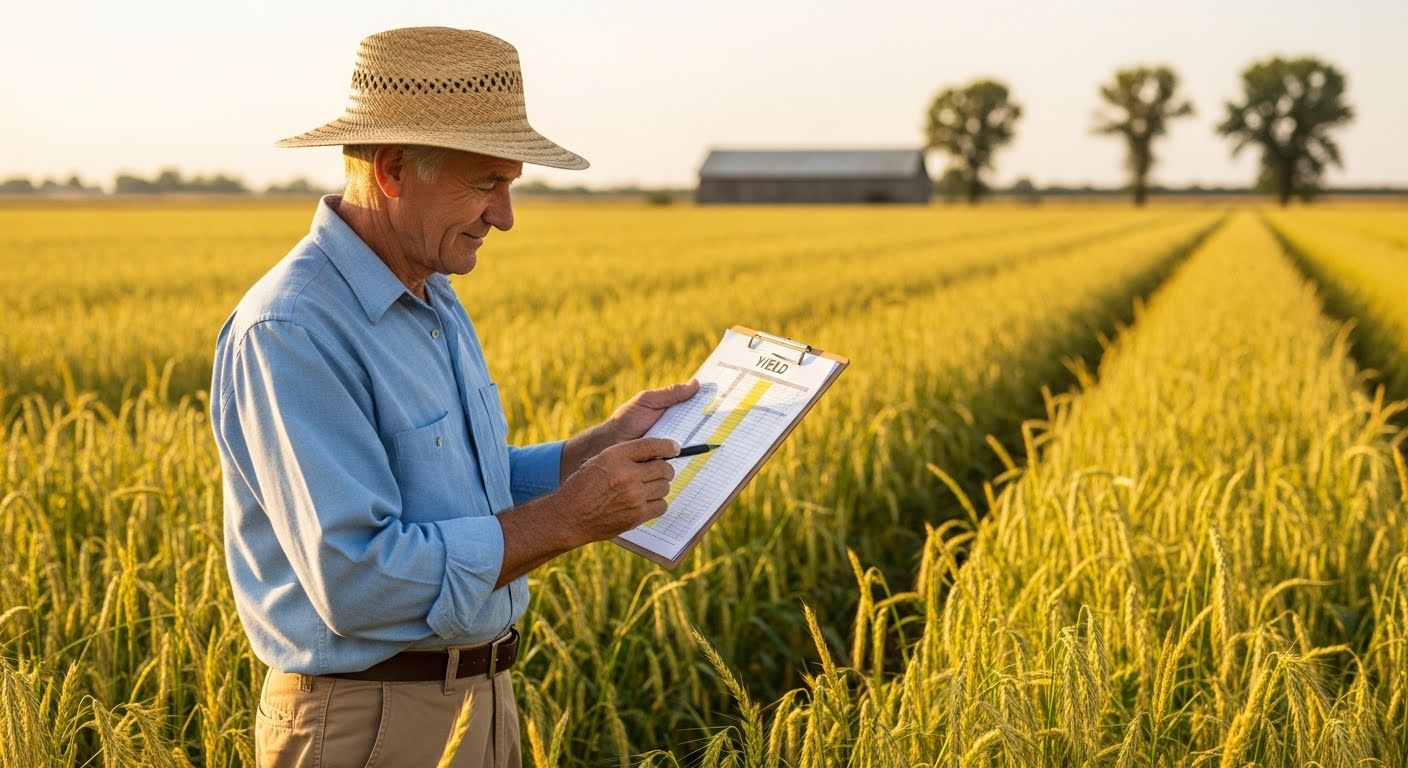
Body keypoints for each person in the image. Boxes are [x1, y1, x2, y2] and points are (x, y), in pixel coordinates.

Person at [210, 26, 697, 767]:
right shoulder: (293, 327)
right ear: (395, 169)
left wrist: (595, 448)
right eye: (486, 184)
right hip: (366, 724)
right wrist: (569, 519)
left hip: (482, 705)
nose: (504, 216)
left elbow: (460, 488)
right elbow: (358, 578)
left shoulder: (431, 294)